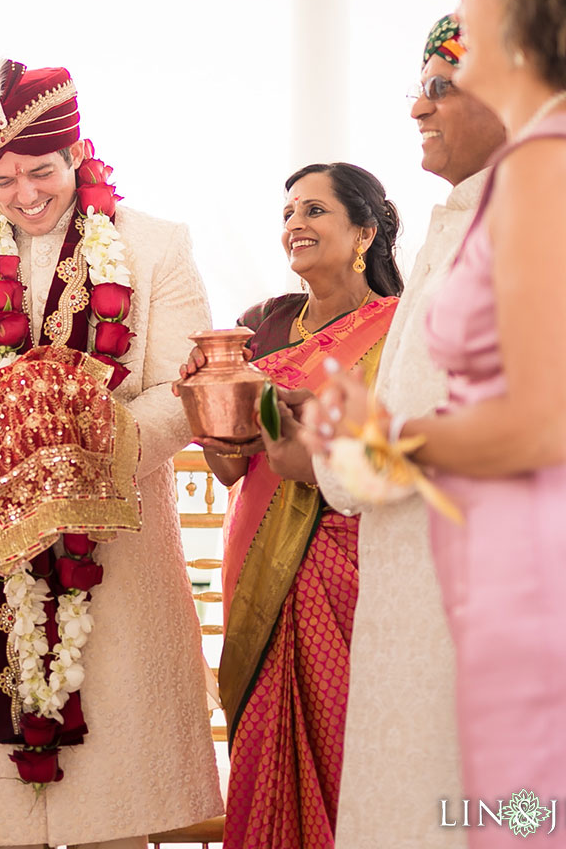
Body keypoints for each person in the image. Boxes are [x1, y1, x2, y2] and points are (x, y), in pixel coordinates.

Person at [311, 0, 566, 848]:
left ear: (530, 12)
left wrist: (381, 438)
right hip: (553, 568)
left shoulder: (554, 163)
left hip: (555, 584)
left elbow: (549, 422)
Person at [0, 58, 220, 849]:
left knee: (120, 801)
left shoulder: (156, 246)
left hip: (120, 533)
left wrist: (78, 458)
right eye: (1, 180)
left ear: (77, 152)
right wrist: (16, 455)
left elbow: (185, 390)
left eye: (40, 170)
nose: (26, 194)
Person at [299, 14, 506, 849]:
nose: (419, 110)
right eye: (418, 89)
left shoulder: (521, 221)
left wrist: (354, 443)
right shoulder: (456, 216)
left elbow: (500, 420)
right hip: (407, 579)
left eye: (441, 88)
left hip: (469, 582)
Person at [182, 163, 400, 849]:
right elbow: (227, 466)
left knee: (347, 735)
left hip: (351, 554)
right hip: (259, 555)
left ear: (365, 230)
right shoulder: (261, 325)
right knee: (264, 736)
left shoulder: (401, 328)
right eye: (287, 214)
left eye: (315, 211)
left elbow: (398, 449)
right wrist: (204, 403)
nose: (295, 225)